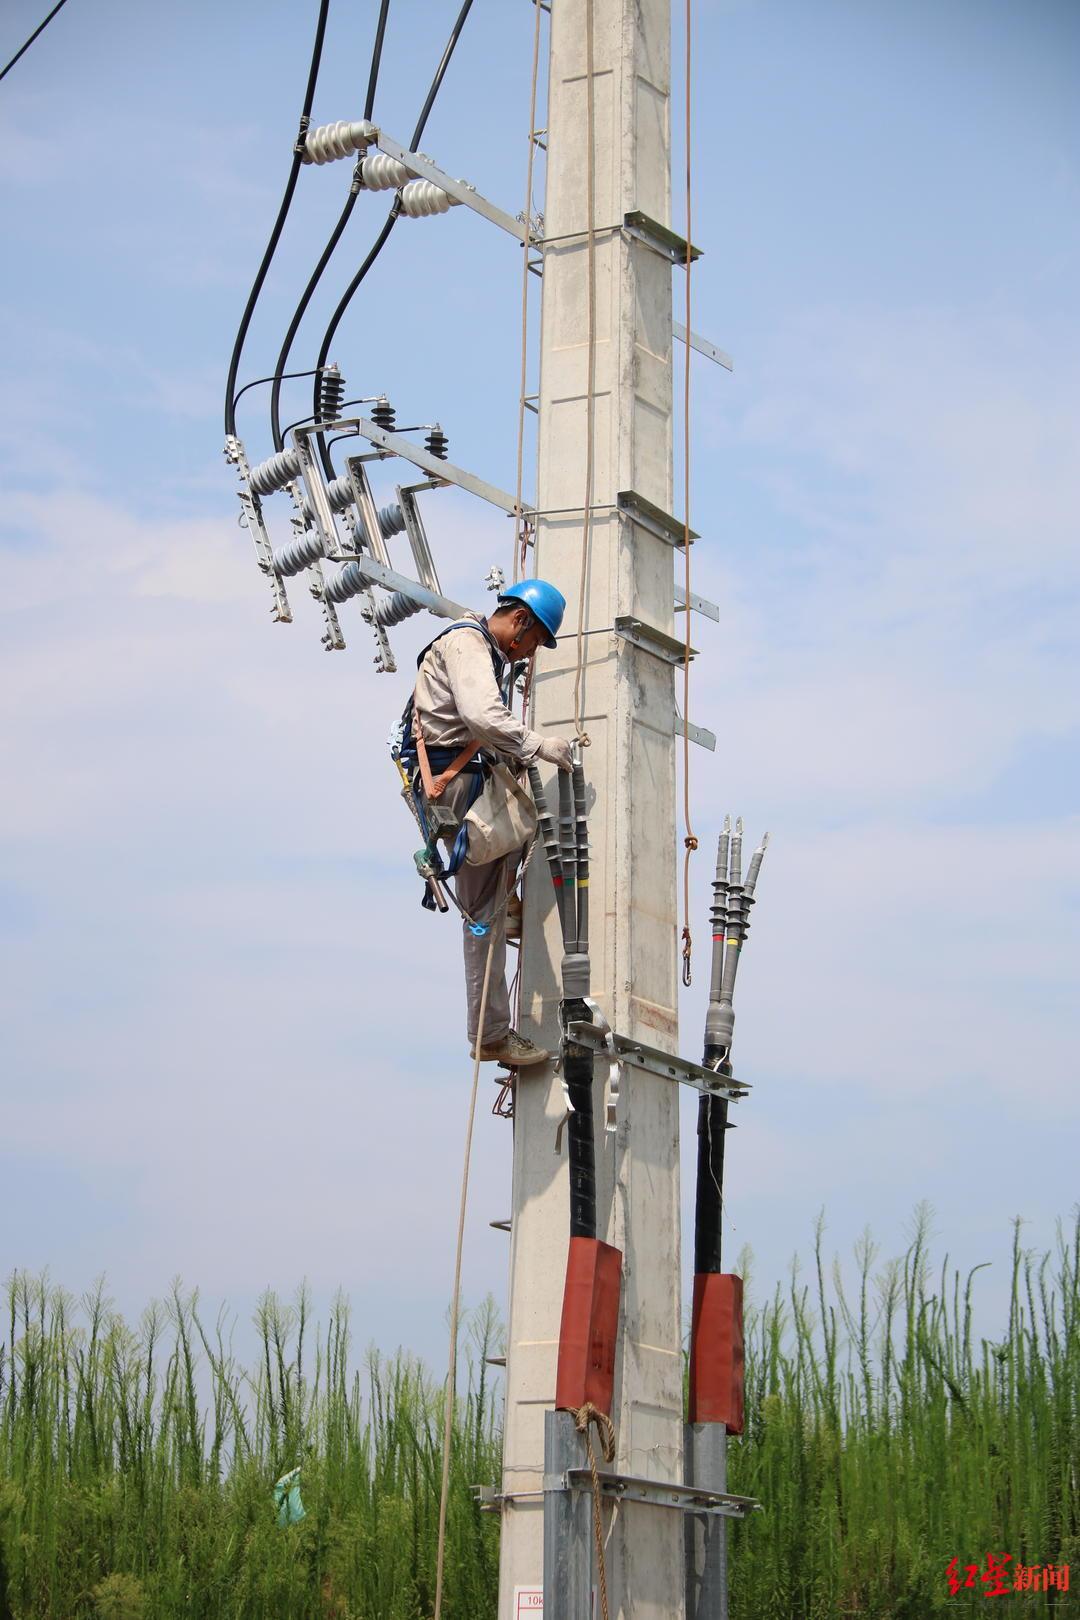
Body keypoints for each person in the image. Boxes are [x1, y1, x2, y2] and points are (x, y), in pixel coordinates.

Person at [405, 579, 573, 1067]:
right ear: (520, 622)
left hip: (456, 783)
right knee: (486, 907)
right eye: (535, 641)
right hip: (456, 786)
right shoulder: (468, 642)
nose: (530, 654)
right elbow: (481, 716)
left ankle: (510, 907)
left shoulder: (481, 650)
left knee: (488, 906)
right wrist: (540, 744)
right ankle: (491, 1033)